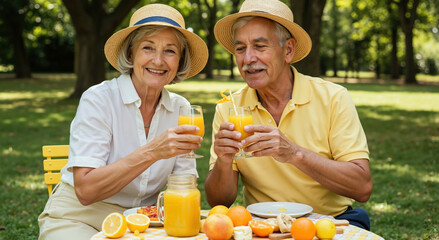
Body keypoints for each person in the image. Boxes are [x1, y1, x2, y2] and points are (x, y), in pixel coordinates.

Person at [38, 4, 208, 239]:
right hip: (80, 217)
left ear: (180, 61)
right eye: (148, 48)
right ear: (131, 54)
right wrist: (153, 151)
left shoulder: (181, 109)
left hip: (145, 222)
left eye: (170, 51)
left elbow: (184, 186)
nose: (158, 60)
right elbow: (85, 191)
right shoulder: (99, 100)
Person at [204, 0, 373, 230]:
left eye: (260, 46)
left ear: (288, 50)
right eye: (240, 48)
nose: (248, 59)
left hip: (330, 223)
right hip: (262, 229)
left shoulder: (333, 97)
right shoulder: (229, 108)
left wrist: (294, 154)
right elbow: (218, 202)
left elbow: (362, 186)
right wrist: (224, 161)